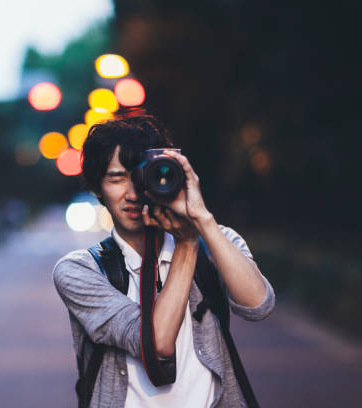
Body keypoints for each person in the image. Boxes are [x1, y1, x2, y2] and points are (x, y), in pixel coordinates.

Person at [53, 115, 275, 407]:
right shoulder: (80, 270)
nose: (133, 193)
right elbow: (156, 344)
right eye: (117, 178)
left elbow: (259, 306)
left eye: (142, 177)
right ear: (98, 189)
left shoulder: (214, 242)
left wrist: (202, 220)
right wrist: (185, 243)